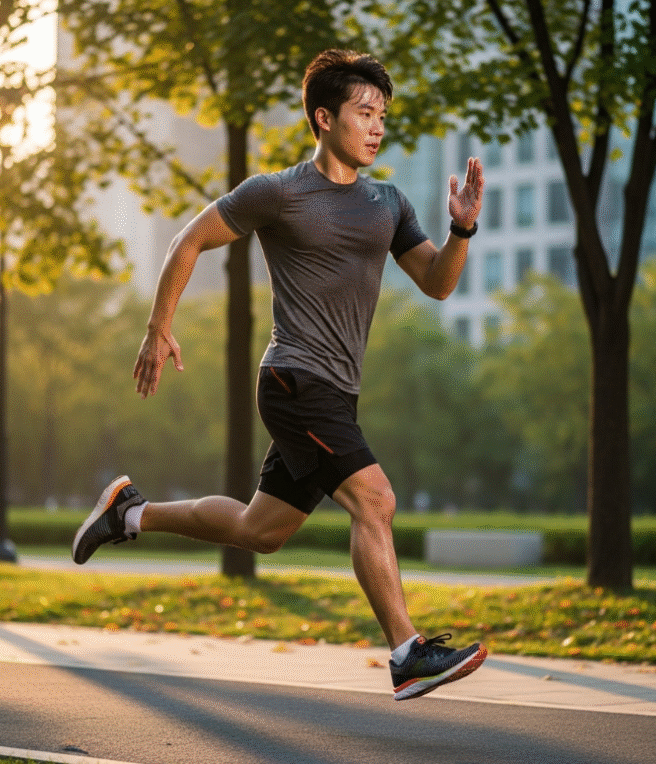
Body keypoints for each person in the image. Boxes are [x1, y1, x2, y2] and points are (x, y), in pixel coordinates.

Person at [72, 49, 487, 701]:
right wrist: (159, 325)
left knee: (256, 531)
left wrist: (462, 229)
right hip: (295, 381)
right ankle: (407, 653)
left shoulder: (389, 202)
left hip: (334, 396)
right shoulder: (278, 191)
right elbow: (189, 241)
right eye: (364, 112)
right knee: (375, 499)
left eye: (383, 115)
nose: (377, 127)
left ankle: (130, 514)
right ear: (324, 119)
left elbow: (436, 284)